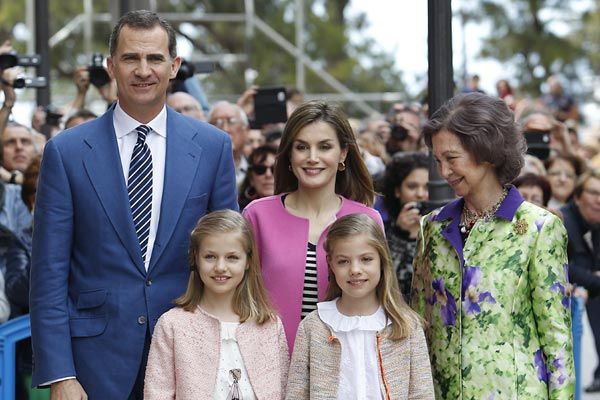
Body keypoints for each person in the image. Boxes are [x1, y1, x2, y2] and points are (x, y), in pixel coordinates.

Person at [29, 10, 238, 399]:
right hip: (94, 366)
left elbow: (229, 257)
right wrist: (60, 374)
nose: (143, 70)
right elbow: (48, 275)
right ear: (111, 65)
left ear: (174, 66)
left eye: (155, 58)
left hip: (190, 358)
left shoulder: (212, 147)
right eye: (130, 58)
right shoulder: (66, 152)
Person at [412, 92, 574, 399]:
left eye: (451, 158)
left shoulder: (539, 228)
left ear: (486, 152)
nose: (443, 171)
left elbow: (557, 339)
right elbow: (419, 328)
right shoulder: (431, 227)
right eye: (437, 160)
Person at [243, 100, 383, 348]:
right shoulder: (257, 216)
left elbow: (379, 301)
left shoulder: (367, 219)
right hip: (267, 366)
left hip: (343, 368)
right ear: (289, 154)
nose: (312, 157)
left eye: (325, 146)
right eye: (302, 147)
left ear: (343, 153)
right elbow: (239, 298)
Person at [286, 213, 434, 399]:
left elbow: (422, 394)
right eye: (343, 261)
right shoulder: (313, 326)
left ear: (382, 261)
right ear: (330, 264)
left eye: (366, 259)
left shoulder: (407, 326)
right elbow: (296, 393)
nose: (355, 270)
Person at [144, 210, 288, 399]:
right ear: (195, 259)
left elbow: (285, 390)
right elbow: (157, 394)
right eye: (210, 256)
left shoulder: (270, 325)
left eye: (232, 257)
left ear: (248, 261)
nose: (220, 267)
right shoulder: (172, 325)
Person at [560, 170, 600, 394]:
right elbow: (565, 268)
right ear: (577, 197)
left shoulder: (596, 223)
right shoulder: (563, 221)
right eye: (594, 193)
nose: (599, 200)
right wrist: (594, 279)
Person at [378, 152, 428, 300]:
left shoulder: (446, 226)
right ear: (397, 191)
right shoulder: (382, 229)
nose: (420, 194)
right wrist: (400, 235)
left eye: (427, 187)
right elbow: (386, 284)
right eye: (412, 187)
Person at [208, 101, 250, 186]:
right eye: (217, 122)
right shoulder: (199, 172)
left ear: (246, 130)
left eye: (232, 121)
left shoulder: (262, 169)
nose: (225, 129)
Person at [238, 145, 276, 210]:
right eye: (260, 169)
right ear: (251, 178)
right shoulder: (238, 210)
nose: (268, 174)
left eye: (275, 169)